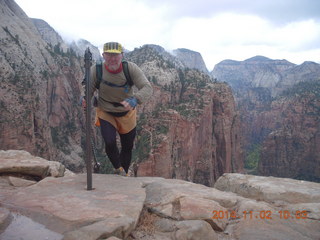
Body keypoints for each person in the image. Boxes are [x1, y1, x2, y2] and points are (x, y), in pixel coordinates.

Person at [83, 42, 152, 176]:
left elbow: (147, 87)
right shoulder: (96, 70)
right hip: (105, 111)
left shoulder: (130, 69)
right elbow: (88, 88)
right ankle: (118, 169)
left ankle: (124, 173)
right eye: (109, 55)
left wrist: (135, 99)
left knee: (127, 147)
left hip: (127, 114)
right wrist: (85, 97)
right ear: (103, 55)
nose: (112, 59)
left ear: (122, 55)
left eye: (116, 55)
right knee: (109, 142)